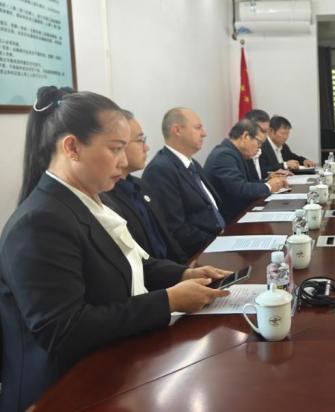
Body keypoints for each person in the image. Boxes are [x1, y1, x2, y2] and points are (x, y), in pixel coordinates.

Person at [0, 87, 230, 412]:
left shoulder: (95, 199)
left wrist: (182, 274)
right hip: (66, 389)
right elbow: (64, 329)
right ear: (72, 147)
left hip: (116, 362)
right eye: (115, 148)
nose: (124, 162)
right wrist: (168, 301)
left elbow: (128, 263)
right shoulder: (39, 222)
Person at [101, 110, 190, 264]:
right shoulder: (105, 199)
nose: (147, 147)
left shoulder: (140, 186)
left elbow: (167, 239)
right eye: (140, 140)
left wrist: (187, 268)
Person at [142, 108, 225, 257]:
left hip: (217, 241)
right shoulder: (160, 170)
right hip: (197, 254)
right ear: (177, 130)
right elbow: (176, 229)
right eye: (198, 128)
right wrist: (219, 242)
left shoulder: (191, 163)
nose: (204, 133)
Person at [203, 119, 288, 222]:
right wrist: (269, 186)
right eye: (258, 143)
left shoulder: (234, 153)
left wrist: (269, 182)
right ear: (245, 136)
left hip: (239, 213)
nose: (259, 148)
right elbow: (239, 189)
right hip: (230, 220)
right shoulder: (224, 155)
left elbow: (247, 183)